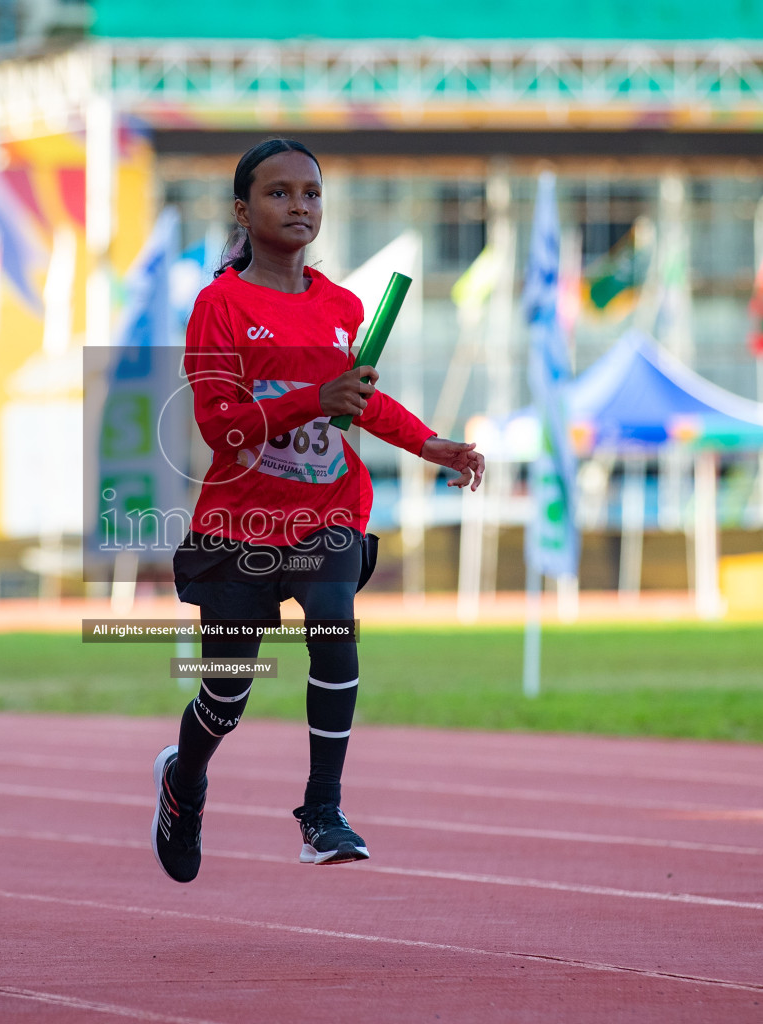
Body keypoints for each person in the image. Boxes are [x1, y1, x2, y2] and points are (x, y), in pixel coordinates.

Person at [151, 138, 484, 883]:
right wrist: (313, 399)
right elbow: (217, 427)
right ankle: (185, 778)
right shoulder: (218, 306)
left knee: (334, 621)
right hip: (238, 523)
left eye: (311, 193)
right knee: (227, 691)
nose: (299, 206)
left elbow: (358, 398)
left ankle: (321, 811)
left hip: (328, 506)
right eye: (279, 193)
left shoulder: (343, 306)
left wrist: (433, 445)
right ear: (242, 211)